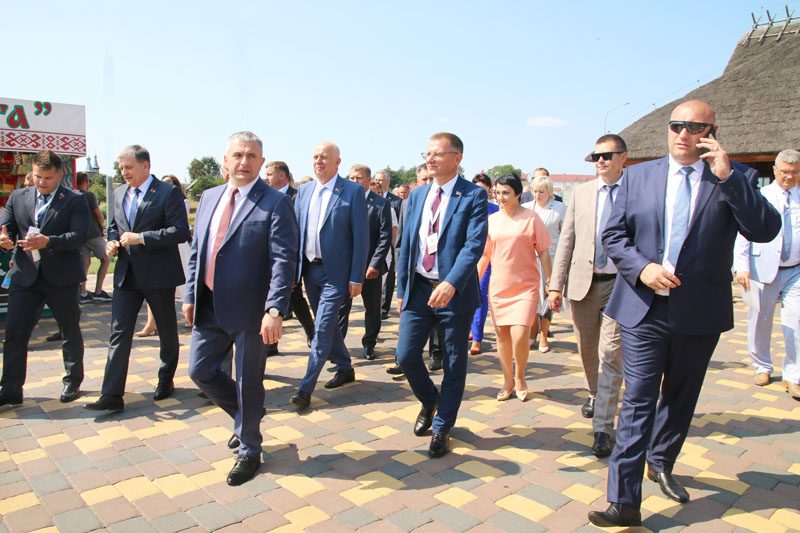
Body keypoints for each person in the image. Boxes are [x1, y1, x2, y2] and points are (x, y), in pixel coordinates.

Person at [588, 100, 781, 527]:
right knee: (638, 399)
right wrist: (643, 268)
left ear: (711, 132)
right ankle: (624, 500)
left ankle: (661, 461)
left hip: (700, 311)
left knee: (680, 398)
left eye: (694, 127)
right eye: (676, 125)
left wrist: (728, 177)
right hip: (643, 308)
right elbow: (614, 235)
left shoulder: (737, 177)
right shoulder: (637, 176)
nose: (683, 134)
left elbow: (764, 229)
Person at [184, 131, 297, 486]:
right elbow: (198, 250)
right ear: (225, 161)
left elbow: (283, 260)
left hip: (252, 310)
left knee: (249, 381)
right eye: (237, 155)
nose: (244, 161)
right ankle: (246, 415)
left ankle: (250, 450)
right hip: (208, 304)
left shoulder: (275, 203)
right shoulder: (209, 197)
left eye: (251, 156)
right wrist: (190, 294)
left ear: (261, 162)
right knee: (200, 371)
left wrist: (275, 309)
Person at [396, 132, 488, 458]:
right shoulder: (417, 196)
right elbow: (407, 244)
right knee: (406, 356)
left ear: (457, 158)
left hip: (454, 293)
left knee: (453, 363)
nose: (430, 159)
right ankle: (429, 399)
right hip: (419, 289)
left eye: (437, 153)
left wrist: (451, 283)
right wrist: (402, 289)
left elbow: (473, 245)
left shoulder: (473, 196)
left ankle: (442, 426)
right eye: (427, 153)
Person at [86, 145, 191, 413]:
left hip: (159, 275)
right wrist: (112, 242)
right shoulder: (119, 193)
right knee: (119, 332)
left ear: (146, 166)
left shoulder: (167, 193)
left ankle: (166, 379)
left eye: (129, 167)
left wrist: (142, 238)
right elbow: (114, 227)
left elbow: (180, 231)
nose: (124, 172)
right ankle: (111, 394)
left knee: (166, 331)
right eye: (121, 168)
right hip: (126, 276)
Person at [548, 134, 626, 458]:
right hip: (584, 283)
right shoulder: (581, 193)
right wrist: (555, 285)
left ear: (623, 157)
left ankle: (603, 428)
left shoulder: (634, 191)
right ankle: (595, 392)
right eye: (596, 157)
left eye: (607, 155)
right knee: (587, 348)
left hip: (621, 285)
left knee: (611, 352)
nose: (601, 161)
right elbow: (566, 240)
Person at [0, 150, 90, 407]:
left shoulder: (75, 199)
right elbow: (7, 226)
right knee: (15, 333)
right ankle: (10, 390)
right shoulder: (18, 197)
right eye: (38, 177)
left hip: (62, 276)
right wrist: (4, 239)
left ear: (60, 175)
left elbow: (79, 236)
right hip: (26, 275)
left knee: (69, 330)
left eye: (48, 178)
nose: (42, 182)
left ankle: (72, 381)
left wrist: (48, 241)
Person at [290, 141, 369, 409]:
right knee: (329, 325)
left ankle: (305, 388)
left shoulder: (352, 191)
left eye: (324, 157)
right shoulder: (304, 191)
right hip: (310, 270)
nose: (318, 161)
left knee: (322, 328)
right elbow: (296, 233)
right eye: (315, 157)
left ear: (338, 162)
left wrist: (356, 276)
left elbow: (361, 238)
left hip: (336, 273)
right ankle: (345, 367)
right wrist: (292, 272)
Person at [478, 173, 552, 401]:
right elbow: (485, 255)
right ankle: (507, 381)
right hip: (499, 287)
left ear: (518, 194)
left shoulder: (531, 218)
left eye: (506, 193)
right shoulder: (492, 220)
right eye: (498, 193)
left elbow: (544, 252)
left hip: (526, 287)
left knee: (520, 335)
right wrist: (472, 282)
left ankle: (520, 376)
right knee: (502, 338)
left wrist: (551, 282)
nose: (500, 197)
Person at [734, 149, 800, 399]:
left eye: (795, 172)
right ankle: (762, 366)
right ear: (774, 170)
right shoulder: (761, 196)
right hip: (761, 269)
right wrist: (741, 265)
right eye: (785, 172)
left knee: (796, 322)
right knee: (760, 321)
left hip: (795, 270)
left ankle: (794, 375)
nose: (789, 177)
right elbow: (743, 233)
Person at [338, 165, 391, 359]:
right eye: (351, 177)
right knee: (341, 308)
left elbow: (385, 237)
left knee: (372, 308)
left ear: (369, 180)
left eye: (359, 178)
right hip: (346, 266)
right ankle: (338, 346)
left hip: (370, 268)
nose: (354, 181)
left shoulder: (380, 204)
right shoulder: (343, 200)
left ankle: (369, 343)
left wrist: (375, 264)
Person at [264, 160, 315, 352]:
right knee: (270, 300)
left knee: (295, 300)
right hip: (269, 260)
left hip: (290, 260)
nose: (266, 178)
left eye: (269, 174)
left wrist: (293, 270)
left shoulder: (297, 198)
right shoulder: (266, 197)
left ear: (282, 176)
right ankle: (271, 344)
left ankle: (312, 334)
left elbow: (300, 234)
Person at [135, 175, 192, 337]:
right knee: (153, 287)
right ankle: (151, 324)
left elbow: (178, 225)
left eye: (169, 182)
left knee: (184, 284)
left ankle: (190, 315)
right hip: (156, 243)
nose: (165, 185)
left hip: (176, 244)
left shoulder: (180, 200)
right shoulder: (151, 197)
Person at [522, 174, 565, 352]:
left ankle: (544, 336)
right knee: (531, 299)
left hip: (551, 259)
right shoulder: (525, 208)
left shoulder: (560, 208)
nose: (537, 195)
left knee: (549, 299)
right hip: (529, 260)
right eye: (534, 191)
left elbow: (565, 235)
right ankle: (532, 332)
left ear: (549, 191)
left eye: (541, 191)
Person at [469, 173, 499, 355]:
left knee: (480, 295)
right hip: (466, 258)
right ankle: (470, 329)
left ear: (489, 190)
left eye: (483, 189)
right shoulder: (466, 206)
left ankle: (477, 339)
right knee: (464, 295)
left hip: (486, 259)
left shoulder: (495, 210)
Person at [76, 172, 111, 303]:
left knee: (85, 262)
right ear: (86, 182)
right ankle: (98, 291)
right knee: (106, 259)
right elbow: (98, 214)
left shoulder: (73, 194)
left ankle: (83, 292)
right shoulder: (89, 195)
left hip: (80, 234)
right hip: (93, 233)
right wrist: (102, 226)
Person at [373, 170, 402, 320]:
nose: (378, 182)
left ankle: (385, 307)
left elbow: (399, 226)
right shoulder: (369, 198)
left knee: (389, 278)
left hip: (390, 244)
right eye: (376, 179)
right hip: (374, 245)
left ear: (387, 182)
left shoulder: (396, 201)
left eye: (381, 180)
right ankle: (376, 306)